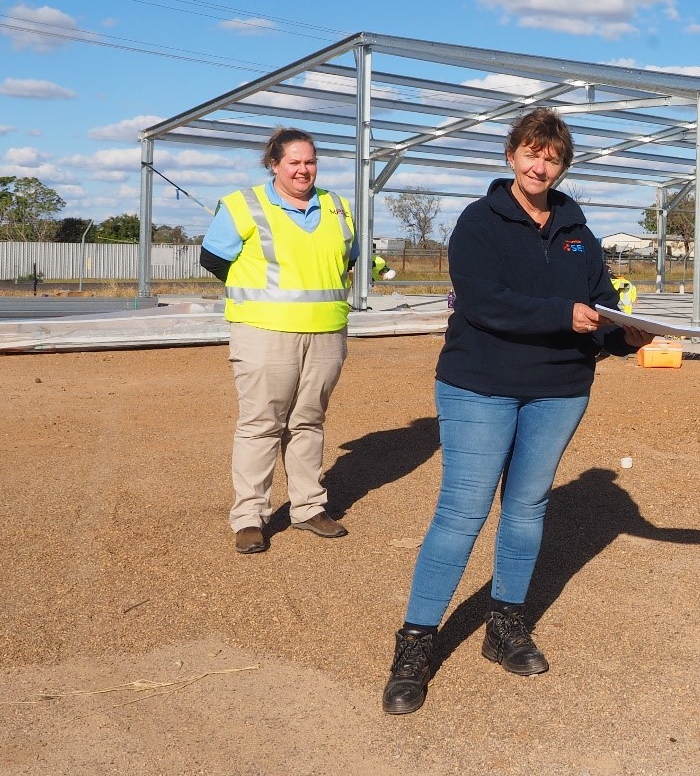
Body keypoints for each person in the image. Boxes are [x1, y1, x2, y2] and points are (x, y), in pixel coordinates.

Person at [382, 108, 652, 716]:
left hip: (558, 390)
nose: (540, 165)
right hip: (481, 383)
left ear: (563, 166)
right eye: (531, 153)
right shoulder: (480, 222)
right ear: (511, 155)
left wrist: (625, 336)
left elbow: (602, 306)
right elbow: (483, 301)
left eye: (552, 158)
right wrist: (564, 316)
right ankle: (416, 643)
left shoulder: (578, 230)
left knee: (527, 510)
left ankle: (504, 626)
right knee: (462, 511)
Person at [199, 126, 392, 555]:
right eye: (294, 162)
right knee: (261, 424)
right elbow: (212, 258)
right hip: (264, 332)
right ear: (274, 164)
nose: (303, 170)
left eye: (310, 162)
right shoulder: (242, 205)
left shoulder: (337, 207)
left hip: (325, 332)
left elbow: (353, 258)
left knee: (308, 422)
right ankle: (250, 517)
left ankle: (308, 507)